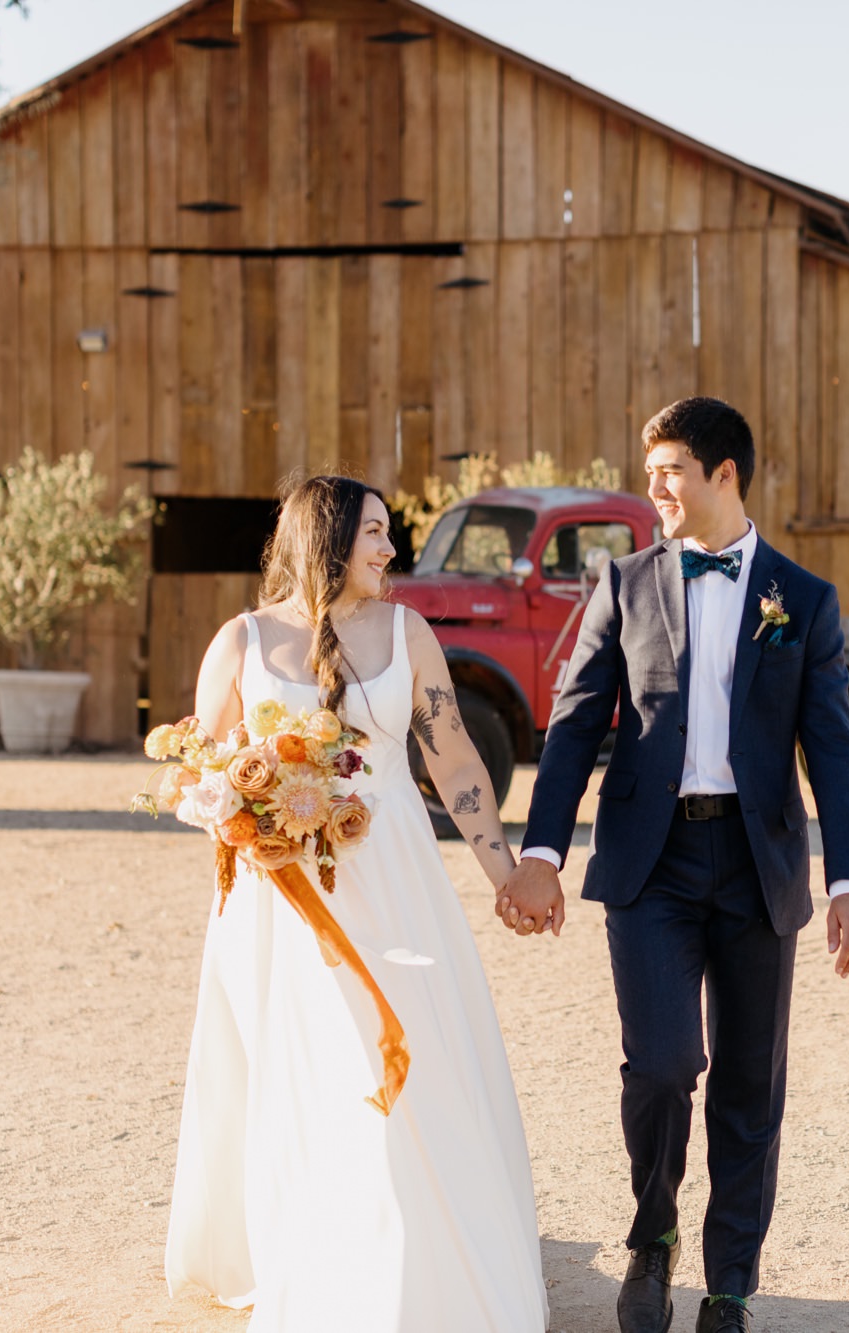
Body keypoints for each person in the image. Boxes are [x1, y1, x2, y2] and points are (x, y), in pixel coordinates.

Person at [498, 397, 849, 1333]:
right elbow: (577, 723)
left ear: (724, 473)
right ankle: (653, 1233)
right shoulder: (623, 584)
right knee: (664, 1065)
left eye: (669, 467)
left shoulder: (804, 599)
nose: (653, 485)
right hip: (650, 862)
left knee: (752, 1083)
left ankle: (729, 1286)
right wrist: (541, 851)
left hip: (760, 868)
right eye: (651, 467)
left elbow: (832, 750)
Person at [164, 476, 547, 1331]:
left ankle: (418, 1248)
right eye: (373, 532)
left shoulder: (409, 634)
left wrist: (506, 872)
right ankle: (317, 1245)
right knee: (309, 1066)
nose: (388, 550)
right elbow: (198, 771)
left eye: (386, 533)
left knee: (407, 1057)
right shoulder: (243, 641)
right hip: (283, 899)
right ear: (325, 540)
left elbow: (453, 763)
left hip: (397, 882)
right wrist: (241, 815)